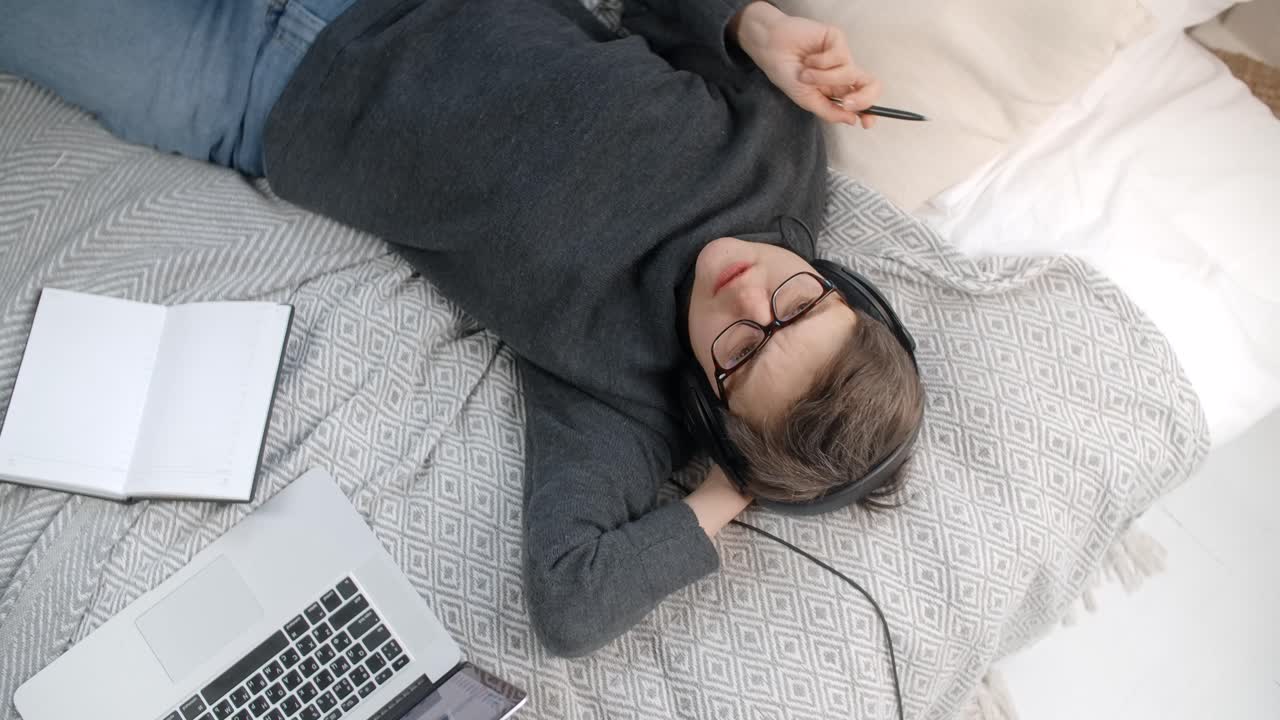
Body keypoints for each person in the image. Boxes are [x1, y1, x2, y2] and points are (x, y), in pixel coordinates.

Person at [0, 0, 923, 656]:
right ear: (849, 291)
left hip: (249, 89)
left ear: (715, 410)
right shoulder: (780, 157)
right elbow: (661, 13)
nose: (750, 298)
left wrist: (735, 487)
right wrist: (753, 26)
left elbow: (570, 599)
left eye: (745, 355)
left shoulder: (616, 398)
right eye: (803, 305)